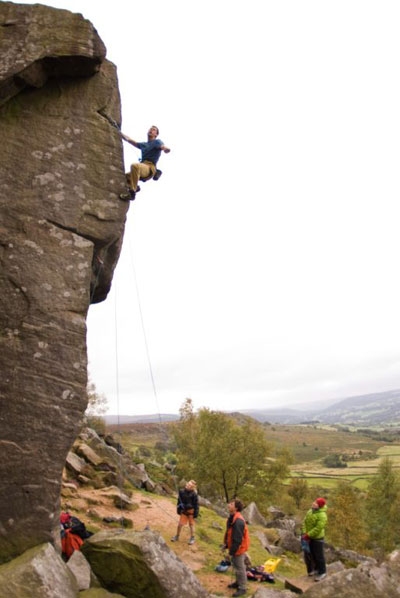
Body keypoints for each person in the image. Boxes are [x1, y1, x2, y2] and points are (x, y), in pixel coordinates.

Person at [119, 125, 170, 201]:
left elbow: (163, 147)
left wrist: (166, 149)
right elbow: (129, 140)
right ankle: (135, 187)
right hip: (143, 166)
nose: (151, 130)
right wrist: (119, 132)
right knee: (124, 177)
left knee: (135, 166)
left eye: (153, 130)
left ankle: (132, 193)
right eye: (150, 129)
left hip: (149, 167)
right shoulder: (144, 145)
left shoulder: (157, 142)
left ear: (156, 135)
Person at [223, 498, 250, 597]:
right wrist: (226, 544)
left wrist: (232, 552)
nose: (229, 505)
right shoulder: (232, 517)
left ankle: (243, 588)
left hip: (239, 548)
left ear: (236, 508)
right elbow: (229, 533)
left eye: (231, 504)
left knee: (240, 567)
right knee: (236, 566)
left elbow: (238, 540)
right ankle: (238, 582)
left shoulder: (238, 521)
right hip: (235, 546)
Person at [301, 497, 328, 582]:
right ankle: (316, 569)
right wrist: (305, 533)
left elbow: (318, 528)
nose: (313, 503)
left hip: (317, 538)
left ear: (319, 506)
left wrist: (308, 535)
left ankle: (322, 572)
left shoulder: (322, 515)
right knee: (311, 554)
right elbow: (304, 522)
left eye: (316, 503)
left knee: (319, 556)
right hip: (308, 537)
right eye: (314, 501)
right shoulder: (310, 511)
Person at [171, 480, 199, 545]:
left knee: (191, 525)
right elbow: (179, 500)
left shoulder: (194, 494)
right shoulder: (181, 491)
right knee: (180, 524)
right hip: (184, 511)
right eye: (188, 484)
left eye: (189, 485)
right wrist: (178, 508)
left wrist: (196, 513)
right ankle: (177, 536)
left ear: (192, 487)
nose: (187, 485)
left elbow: (196, 504)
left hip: (191, 511)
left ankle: (192, 538)